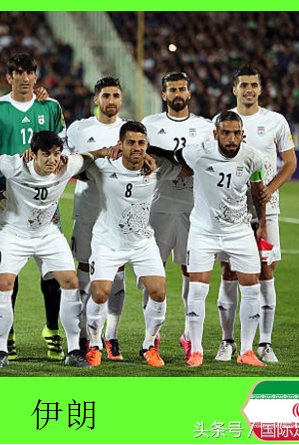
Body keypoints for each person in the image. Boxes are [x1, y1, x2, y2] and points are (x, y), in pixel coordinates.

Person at [0, 130, 109, 368]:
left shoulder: (66, 165)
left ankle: (74, 350)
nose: (52, 160)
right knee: (4, 285)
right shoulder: (14, 165)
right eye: (46, 154)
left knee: (70, 282)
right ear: (33, 154)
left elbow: (88, 157)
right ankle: (0, 351)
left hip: (48, 234)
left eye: (56, 154)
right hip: (14, 235)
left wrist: (104, 151)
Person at [0, 53, 67, 360]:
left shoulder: (50, 107)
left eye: (30, 72)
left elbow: (64, 150)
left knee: (53, 275)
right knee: (8, 277)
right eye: (19, 72)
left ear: (36, 75)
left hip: (46, 202)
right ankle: (9, 334)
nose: (25, 77)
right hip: (11, 202)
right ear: (9, 77)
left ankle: (52, 330)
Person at [83, 121, 189, 367]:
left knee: (159, 291)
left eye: (141, 143)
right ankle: (95, 343)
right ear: (120, 145)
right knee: (100, 293)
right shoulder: (104, 166)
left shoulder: (157, 168)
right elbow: (73, 162)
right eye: (130, 142)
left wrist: (157, 155)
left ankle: (149, 345)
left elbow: (189, 168)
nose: (137, 147)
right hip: (108, 242)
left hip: (142, 242)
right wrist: (101, 152)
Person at [214, 66, 297, 363]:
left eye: (253, 85)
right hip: (230, 210)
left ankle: (265, 343)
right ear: (234, 89)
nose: (249, 89)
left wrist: (269, 190)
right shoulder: (222, 120)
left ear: (260, 89)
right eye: (243, 85)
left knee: (266, 273)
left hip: (266, 210)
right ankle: (227, 341)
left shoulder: (276, 121)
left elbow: (290, 162)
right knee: (229, 272)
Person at [178, 111, 267, 368]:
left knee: (252, 289)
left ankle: (247, 351)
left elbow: (258, 191)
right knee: (197, 289)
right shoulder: (198, 153)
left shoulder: (253, 158)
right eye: (226, 133)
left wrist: (262, 224)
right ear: (215, 134)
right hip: (203, 232)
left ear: (242, 134)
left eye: (236, 133)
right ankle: (196, 350)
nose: (231, 138)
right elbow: (170, 155)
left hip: (239, 231)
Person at [142, 71, 214, 360]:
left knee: (191, 272)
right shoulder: (150, 124)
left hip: (193, 211)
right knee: (153, 273)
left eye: (182, 89)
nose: (178, 94)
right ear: (164, 95)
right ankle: (152, 337)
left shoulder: (206, 127)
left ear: (189, 93)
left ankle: (189, 335)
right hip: (157, 208)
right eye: (172, 90)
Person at [66, 76, 127, 360]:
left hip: (118, 213)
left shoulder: (129, 130)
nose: (111, 101)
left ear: (121, 99)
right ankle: (83, 335)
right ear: (96, 99)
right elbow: (68, 166)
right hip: (87, 209)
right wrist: (94, 161)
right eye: (106, 96)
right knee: (83, 273)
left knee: (117, 275)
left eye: (115, 96)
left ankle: (111, 336)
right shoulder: (79, 129)